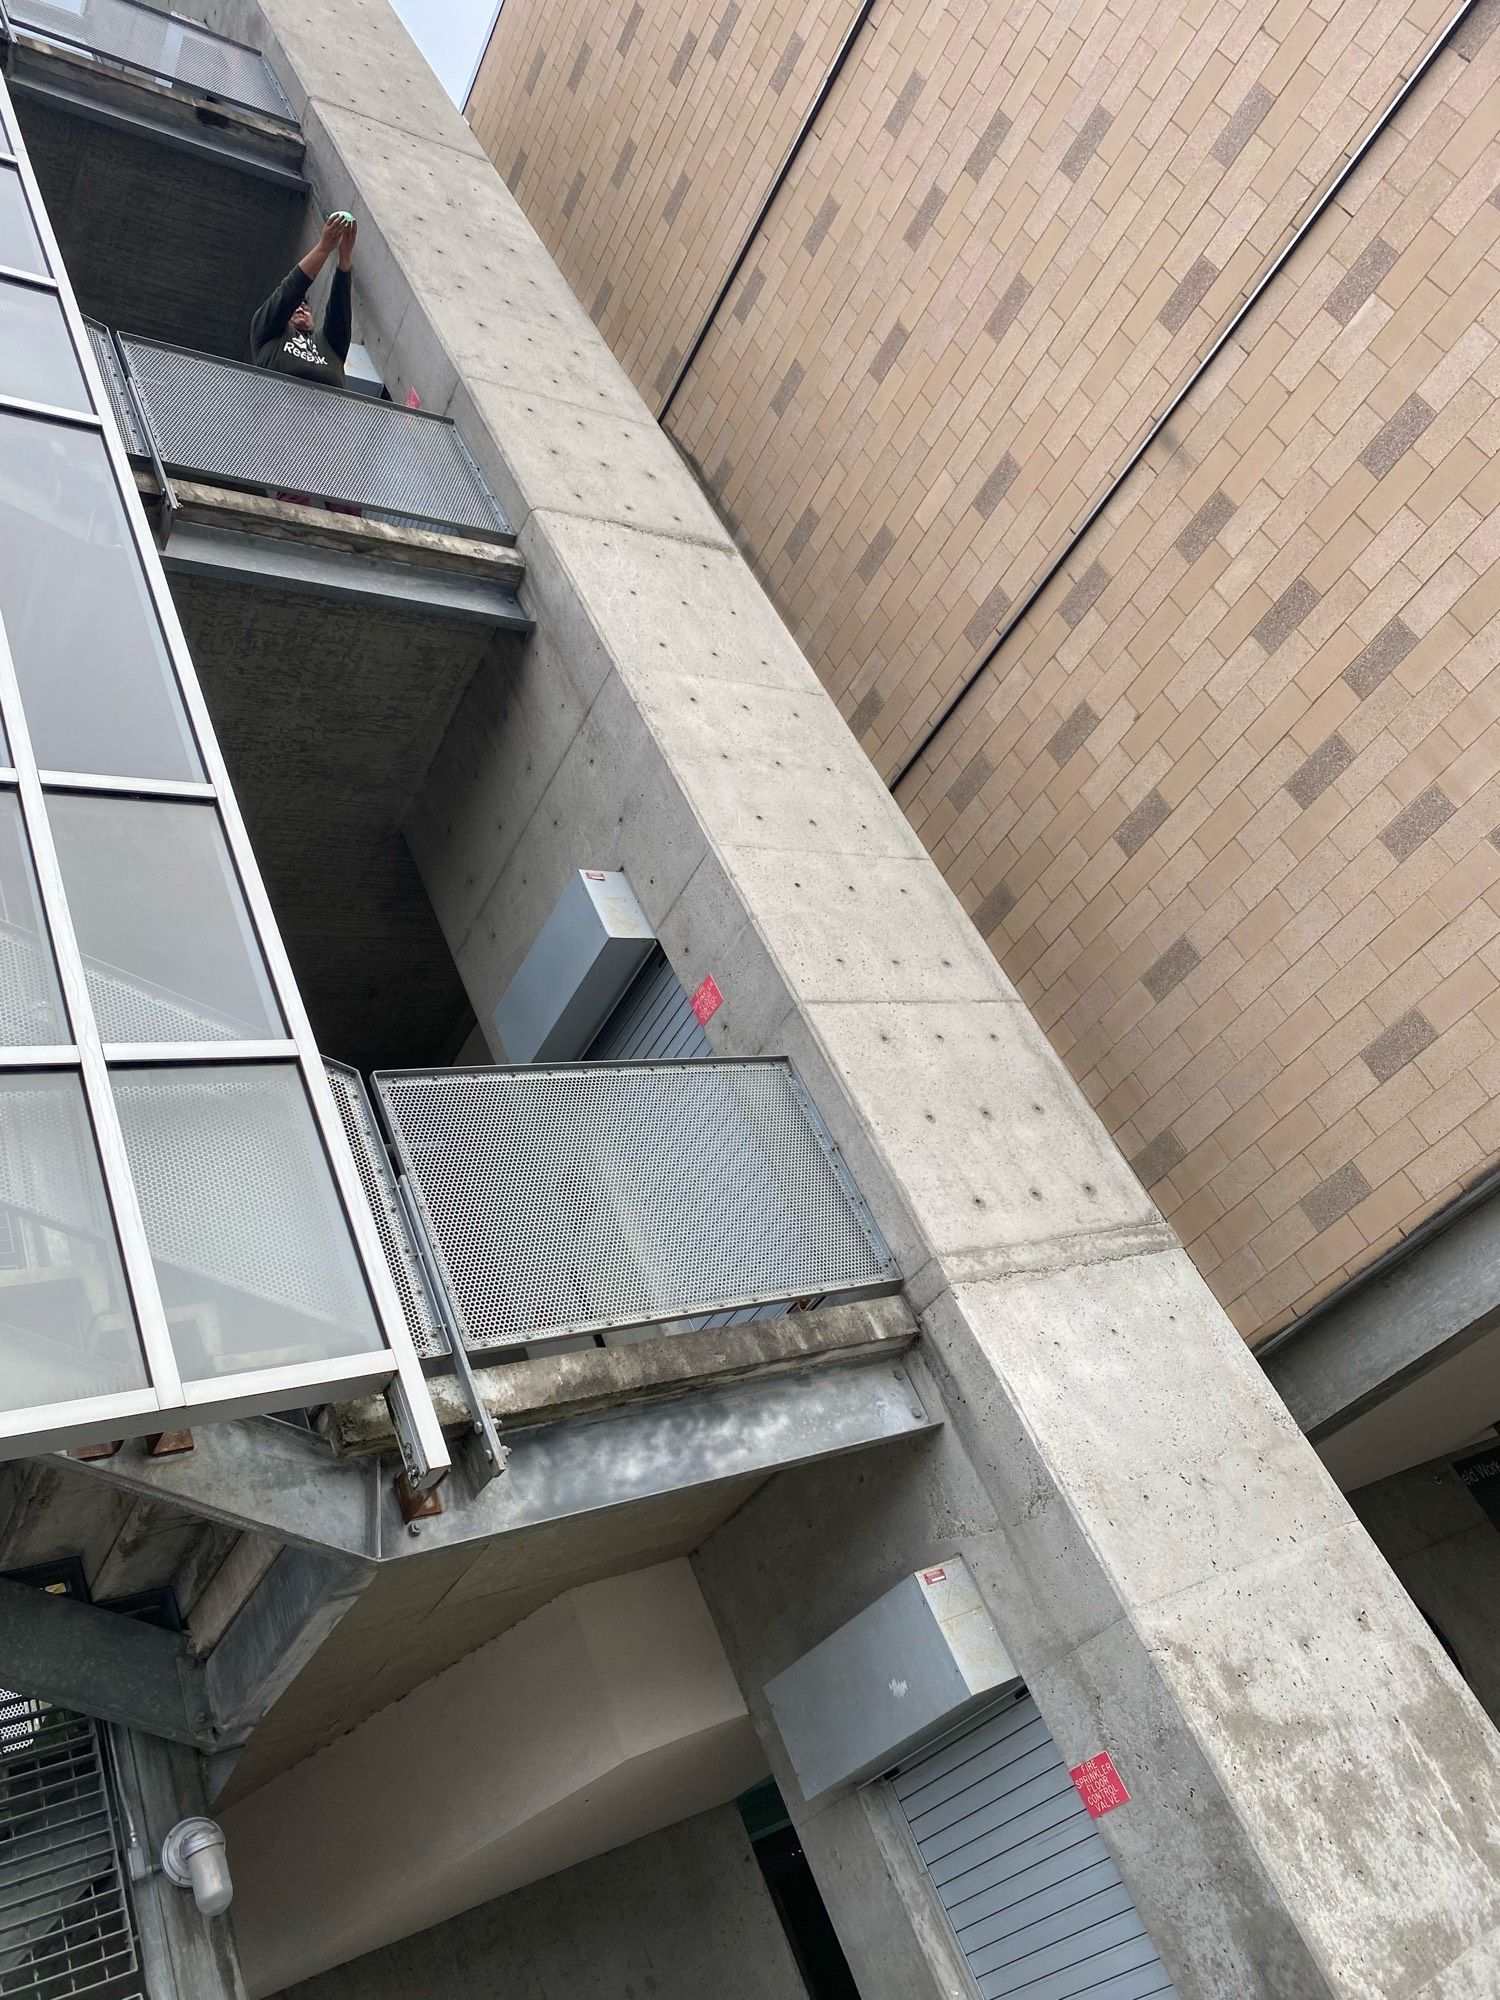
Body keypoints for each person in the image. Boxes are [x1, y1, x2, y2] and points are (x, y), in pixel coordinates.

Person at [249, 212, 357, 386]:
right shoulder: (268, 332)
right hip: (277, 408)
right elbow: (290, 290)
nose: (300, 309)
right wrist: (324, 247)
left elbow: (340, 310)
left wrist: (345, 260)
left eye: (306, 308)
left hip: (322, 412)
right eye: (295, 308)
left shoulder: (330, 346)